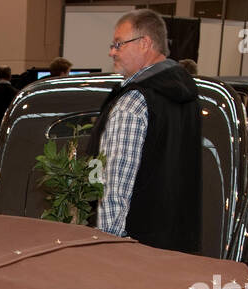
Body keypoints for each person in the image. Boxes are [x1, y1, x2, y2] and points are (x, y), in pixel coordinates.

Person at [85, 10, 201, 253]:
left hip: (133, 250)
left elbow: (113, 186)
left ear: (145, 43)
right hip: (176, 245)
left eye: (118, 44)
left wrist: (106, 248)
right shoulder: (188, 97)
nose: (111, 52)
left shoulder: (133, 103)